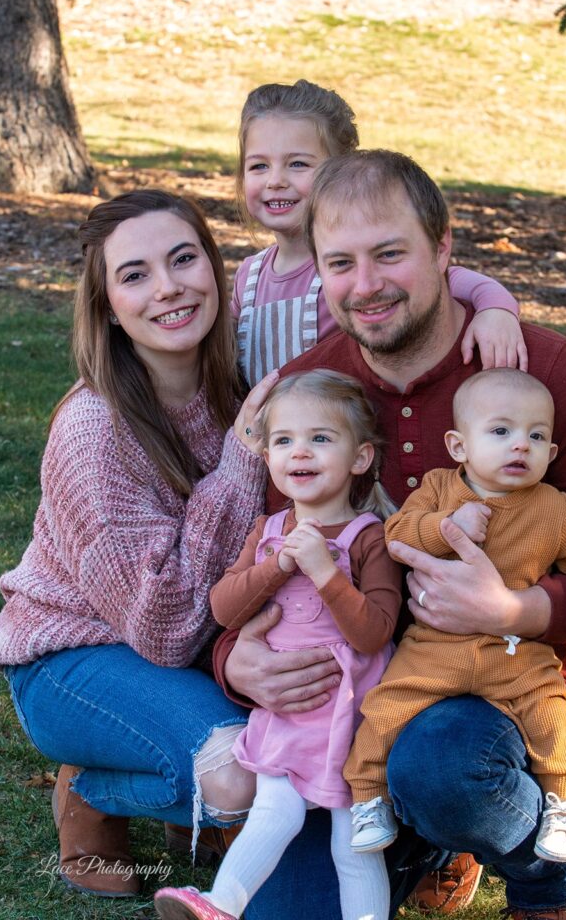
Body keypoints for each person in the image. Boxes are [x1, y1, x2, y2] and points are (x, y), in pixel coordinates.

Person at [214, 150, 566, 920]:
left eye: (390, 253)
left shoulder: (544, 374)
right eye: (341, 263)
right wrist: (236, 662)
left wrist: (514, 610)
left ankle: (543, 883)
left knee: (444, 766)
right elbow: (261, 560)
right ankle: (427, 835)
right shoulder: (311, 398)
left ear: (444, 248)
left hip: (515, 687)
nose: (367, 285)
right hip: (347, 706)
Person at [0, 189, 279, 898]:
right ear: (108, 307)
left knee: (305, 746)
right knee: (243, 775)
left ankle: (193, 796)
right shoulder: (96, 432)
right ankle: (94, 790)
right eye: (135, 275)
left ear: (215, 270)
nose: (168, 288)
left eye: (184, 259)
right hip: (73, 659)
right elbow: (164, 627)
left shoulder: (231, 386)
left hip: (186, 650)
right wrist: (244, 453)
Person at [344, 368, 566, 872]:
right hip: (434, 650)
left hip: (516, 653)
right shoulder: (438, 489)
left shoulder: (554, 508)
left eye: (536, 436)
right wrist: (444, 527)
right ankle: (368, 798)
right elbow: (398, 534)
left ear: (551, 454)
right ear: (459, 446)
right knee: (384, 710)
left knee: (549, 718)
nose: (520, 445)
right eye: (501, 432)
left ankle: (564, 805)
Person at [154, 370, 402, 920]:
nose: (300, 453)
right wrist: (279, 566)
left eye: (321, 438)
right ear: (267, 456)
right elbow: (224, 609)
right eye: (284, 441)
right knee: (273, 814)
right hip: (287, 715)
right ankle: (221, 904)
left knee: (353, 846)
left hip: (351, 718)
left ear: (360, 458)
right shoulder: (268, 531)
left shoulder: (368, 537)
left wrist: (325, 572)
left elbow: (375, 630)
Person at [231, 79, 528, 385]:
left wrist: (497, 313)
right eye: (258, 167)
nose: (275, 181)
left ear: (345, 173)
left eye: (297, 164)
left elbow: (459, 282)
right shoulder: (250, 276)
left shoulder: (354, 266)